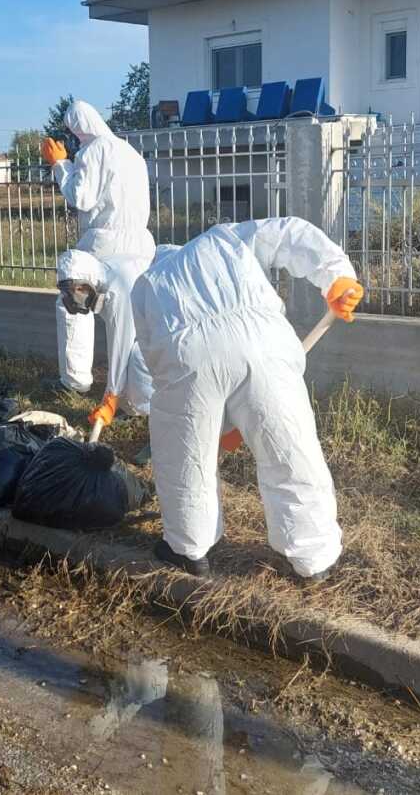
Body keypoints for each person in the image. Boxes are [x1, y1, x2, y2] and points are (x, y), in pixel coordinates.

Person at [130, 217, 364, 582]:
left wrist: (217, 424)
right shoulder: (222, 240)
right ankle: (314, 558)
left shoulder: (146, 284)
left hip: (187, 356)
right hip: (264, 342)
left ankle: (188, 550)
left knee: (185, 457)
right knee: (291, 447)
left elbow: (156, 365)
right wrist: (338, 277)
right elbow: (287, 233)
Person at [41, 100, 153, 396]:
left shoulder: (94, 150)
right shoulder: (131, 153)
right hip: (141, 248)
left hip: (104, 247)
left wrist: (60, 164)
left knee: (72, 302)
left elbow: (82, 196)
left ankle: (75, 382)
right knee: (130, 322)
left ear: (77, 127)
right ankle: (134, 395)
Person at [55, 248, 153, 434]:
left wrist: (110, 398)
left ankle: (156, 417)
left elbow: (121, 348)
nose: (73, 297)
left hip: (177, 328)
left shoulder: (118, 289)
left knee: (138, 361)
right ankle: (131, 408)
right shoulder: (105, 278)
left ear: (86, 282)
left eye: (76, 290)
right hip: (155, 321)